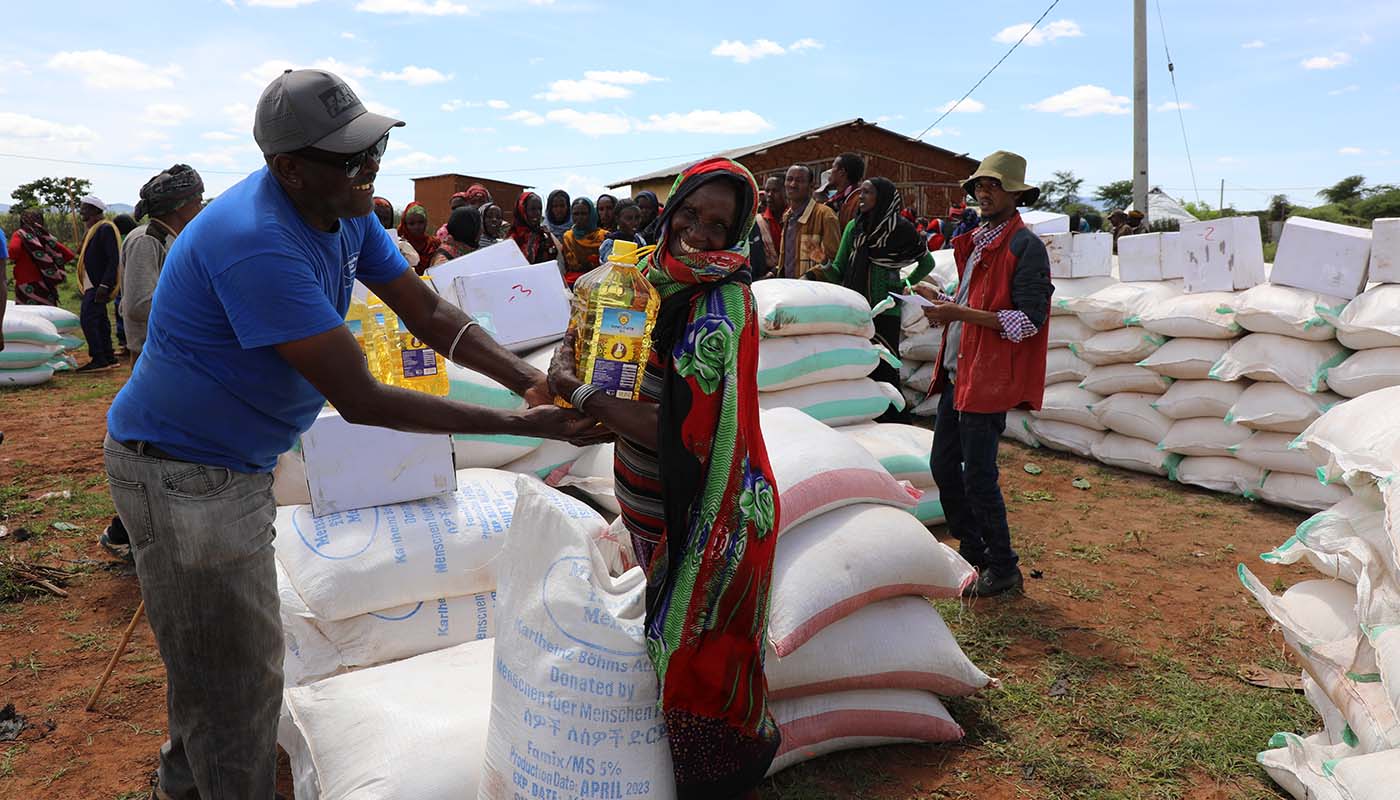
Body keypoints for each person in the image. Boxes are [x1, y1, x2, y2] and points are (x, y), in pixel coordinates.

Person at [103, 68, 599, 800]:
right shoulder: (256, 242)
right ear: (289, 168)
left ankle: (181, 785)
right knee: (239, 675)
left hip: (225, 464)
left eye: (373, 150)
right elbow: (362, 398)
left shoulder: (345, 207)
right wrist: (522, 426)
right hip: (184, 473)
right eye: (351, 158)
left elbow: (426, 314)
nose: (370, 169)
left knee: (214, 656)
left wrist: (525, 380)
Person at [547, 157, 781, 797]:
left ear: (735, 235)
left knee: (693, 647)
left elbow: (676, 428)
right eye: (690, 213)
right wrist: (571, 355)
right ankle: (664, 760)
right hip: (649, 499)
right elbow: (595, 350)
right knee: (660, 630)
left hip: (711, 507)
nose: (698, 233)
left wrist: (581, 393)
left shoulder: (723, 301)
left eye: (717, 223)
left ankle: (719, 772)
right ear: (668, 207)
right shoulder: (636, 278)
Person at [916, 150, 1053, 599]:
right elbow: (973, 299)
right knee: (942, 466)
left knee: (978, 475)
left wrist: (961, 312)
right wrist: (940, 298)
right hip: (960, 373)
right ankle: (975, 551)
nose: (983, 192)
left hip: (988, 379)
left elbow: (1028, 320)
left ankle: (1003, 566)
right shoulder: (978, 240)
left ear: (1015, 193)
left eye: (993, 185)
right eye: (979, 185)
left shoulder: (1024, 247)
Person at [804, 177, 936, 410]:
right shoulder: (855, 229)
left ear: (882, 198)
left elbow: (927, 263)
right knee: (854, 365)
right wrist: (822, 262)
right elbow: (838, 272)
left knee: (885, 366)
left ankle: (890, 416)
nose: (860, 197)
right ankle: (859, 412)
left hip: (887, 309)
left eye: (867, 193)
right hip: (856, 310)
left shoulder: (901, 230)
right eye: (860, 192)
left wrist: (906, 283)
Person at [76, 194, 121, 371]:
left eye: (84, 208)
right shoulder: (93, 230)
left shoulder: (105, 229)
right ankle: (108, 357)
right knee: (100, 320)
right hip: (92, 283)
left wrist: (105, 284)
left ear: (95, 210)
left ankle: (98, 358)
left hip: (98, 284)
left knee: (88, 320)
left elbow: (113, 259)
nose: (81, 211)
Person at [778, 164, 840, 278]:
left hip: (814, 291)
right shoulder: (787, 217)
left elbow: (833, 259)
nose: (792, 184)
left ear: (811, 185)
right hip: (788, 289)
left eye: (799, 180)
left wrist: (809, 276)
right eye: (789, 179)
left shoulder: (825, 215)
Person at [9, 208, 74, 306]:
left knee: (28, 317)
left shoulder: (19, 234)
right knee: (47, 316)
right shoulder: (47, 237)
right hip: (47, 284)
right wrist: (49, 264)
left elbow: (13, 253)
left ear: (22, 221)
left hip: (26, 285)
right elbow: (68, 255)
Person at [558, 197, 605, 287]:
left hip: (600, 281)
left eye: (584, 214)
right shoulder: (568, 237)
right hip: (574, 282)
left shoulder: (603, 236)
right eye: (576, 214)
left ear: (591, 214)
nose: (579, 218)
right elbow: (573, 265)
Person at [508, 191, 559, 264]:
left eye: (540, 209)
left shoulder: (544, 234)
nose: (537, 213)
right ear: (522, 210)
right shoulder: (513, 238)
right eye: (533, 209)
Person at [372, 196, 421, 269]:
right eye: (377, 218)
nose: (381, 224)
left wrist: (400, 253)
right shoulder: (355, 242)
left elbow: (415, 260)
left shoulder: (399, 243)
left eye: (386, 219)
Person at [824, 152, 866, 230]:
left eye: (833, 167)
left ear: (841, 172)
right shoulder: (835, 199)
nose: (829, 172)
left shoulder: (857, 201)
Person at [597, 197, 646, 263]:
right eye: (629, 218)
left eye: (637, 218)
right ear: (617, 219)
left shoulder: (640, 240)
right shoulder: (610, 243)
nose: (635, 222)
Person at [397, 201, 438, 274]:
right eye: (411, 224)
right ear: (405, 225)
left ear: (426, 222)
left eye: (421, 222)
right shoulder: (399, 245)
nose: (417, 227)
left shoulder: (434, 244)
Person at [754, 175, 784, 271]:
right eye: (767, 191)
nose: (770, 195)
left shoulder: (795, 219)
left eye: (775, 191)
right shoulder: (758, 222)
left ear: (786, 192)